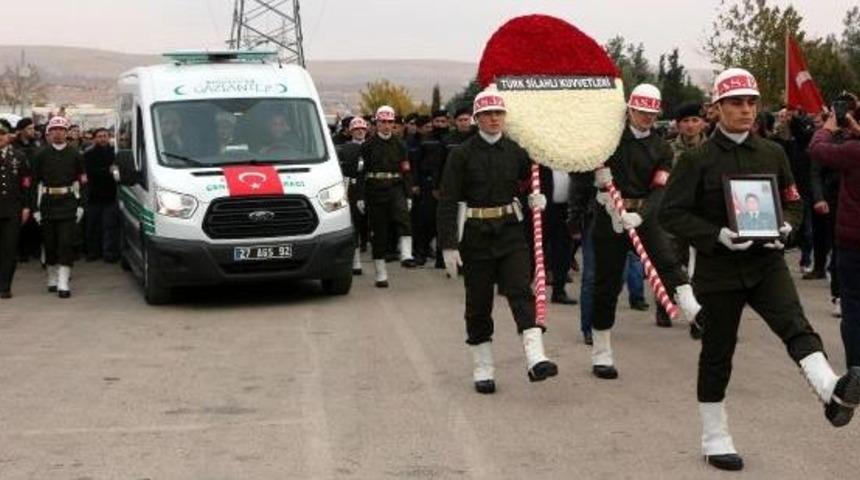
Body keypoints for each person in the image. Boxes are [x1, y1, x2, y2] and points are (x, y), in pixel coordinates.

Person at [660, 67, 860, 472]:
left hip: (766, 263)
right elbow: (671, 214)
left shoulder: (772, 153)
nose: (746, 110)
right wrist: (715, 234)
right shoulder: (697, 160)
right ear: (717, 108)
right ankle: (715, 437)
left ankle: (830, 391)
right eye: (736, 103)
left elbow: (793, 200)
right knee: (718, 353)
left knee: (796, 325)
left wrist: (786, 226)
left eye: (751, 102)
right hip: (719, 270)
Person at [437, 86, 558, 394]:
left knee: (521, 291)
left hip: (510, 232)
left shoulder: (517, 151)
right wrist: (448, 244)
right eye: (488, 114)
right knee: (479, 304)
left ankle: (535, 357)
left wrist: (537, 197)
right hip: (476, 235)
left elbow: (534, 177)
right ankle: (483, 367)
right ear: (476, 118)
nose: (494, 119)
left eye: (499, 113)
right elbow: (448, 200)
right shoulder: (461, 154)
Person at [589, 83, 705, 380]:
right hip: (610, 214)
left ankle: (694, 310)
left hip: (645, 214)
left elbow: (660, 189)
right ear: (630, 110)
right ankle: (601, 351)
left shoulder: (662, 148)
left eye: (651, 113)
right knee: (607, 284)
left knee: (668, 261)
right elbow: (581, 166)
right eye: (641, 112)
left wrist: (641, 216)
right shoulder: (607, 139)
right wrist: (595, 178)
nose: (646, 118)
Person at [809, 107, 860, 368]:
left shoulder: (853, 150)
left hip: (852, 241)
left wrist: (827, 127)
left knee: (853, 306)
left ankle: (856, 369)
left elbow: (818, 150)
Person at [356, 105, 416, 287]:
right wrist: (360, 196)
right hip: (375, 189)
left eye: (390, 122)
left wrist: (408, 194)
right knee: (379, 231)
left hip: (395, 185)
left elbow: (406, 170)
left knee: (403, 217)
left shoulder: (400, 144)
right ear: (376, 123)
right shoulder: (367, 145)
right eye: (383, 122)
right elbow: (361, 172)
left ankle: (406, 254)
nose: (387, 125)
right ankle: (381, 274)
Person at [32, 116, 87, 298]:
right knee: (50, 243)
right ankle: (52, 277)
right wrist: (35, 209)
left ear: (66, 132)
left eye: (61, 130)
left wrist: (81, 205)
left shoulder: (76, 154)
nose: (58, 133)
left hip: (68, 202)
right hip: (47, 203)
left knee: (65, 243)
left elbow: (83, 182)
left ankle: (64, 282)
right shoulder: (41, 155)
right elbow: (34, 184)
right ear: (49, 133)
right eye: (54, 129)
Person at [0, 120, 32, 298]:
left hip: (12, 209)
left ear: (9, 136)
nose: (0, 137)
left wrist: (26, 206)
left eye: (3, 134)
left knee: (10, 249)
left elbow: (26, 183)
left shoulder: (18, 156)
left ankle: (5, 286)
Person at [336, 116, 369, 275]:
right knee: (354, 223)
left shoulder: (372, 146)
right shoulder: (344, 148)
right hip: (353, 188)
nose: (360, 131)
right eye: (356, 129)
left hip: (371, 187)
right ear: (350, 131)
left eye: (362, 128)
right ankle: (356, 261)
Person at [83, 128, 119, 263]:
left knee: (110, 226)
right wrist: (107, 171)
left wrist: (110, 172)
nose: (102, 138)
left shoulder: (114, 153)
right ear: (94, 139)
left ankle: (109, 253)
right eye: (99, 136)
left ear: (109, 137)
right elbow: (90, 173)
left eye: (105, 136)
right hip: (94, 195)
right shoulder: (89, 154)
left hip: (110, 195)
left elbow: (117, 172)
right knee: (93, 226)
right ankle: (93, 252)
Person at [13, 117, 42, 263]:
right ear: (21, 130)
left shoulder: (36, 144)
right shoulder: (14, 146)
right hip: (19, 187)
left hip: (34, 185)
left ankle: (34, 248)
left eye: (33, 128)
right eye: (29, 128)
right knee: (21, 218)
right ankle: (21, 250)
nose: (33, 131)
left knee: (34, 217)